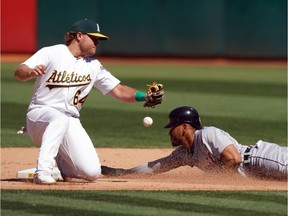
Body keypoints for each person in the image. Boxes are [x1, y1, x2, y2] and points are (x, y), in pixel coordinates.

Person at [14, 19, 164, 184]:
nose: (97, 43)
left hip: (69, 121)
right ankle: (42, 171)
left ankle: (60, 164)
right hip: (40, 116)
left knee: (92, 172)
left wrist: (145, 96)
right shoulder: (52, 52)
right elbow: (20, 71)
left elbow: (119, 90)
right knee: (59, 119)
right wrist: (30, 72)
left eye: (99, 40)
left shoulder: (93, 65)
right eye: (94, 38)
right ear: (79, 36)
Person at [101, 106, 288, 181]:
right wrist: (124, 172)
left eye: (172, 127)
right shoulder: (184, 154)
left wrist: (212, 179)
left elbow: (234, 158)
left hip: (258, 158)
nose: (169, 132)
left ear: (184, 127)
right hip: (255, 172)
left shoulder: (208, 134)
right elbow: (155, 167)